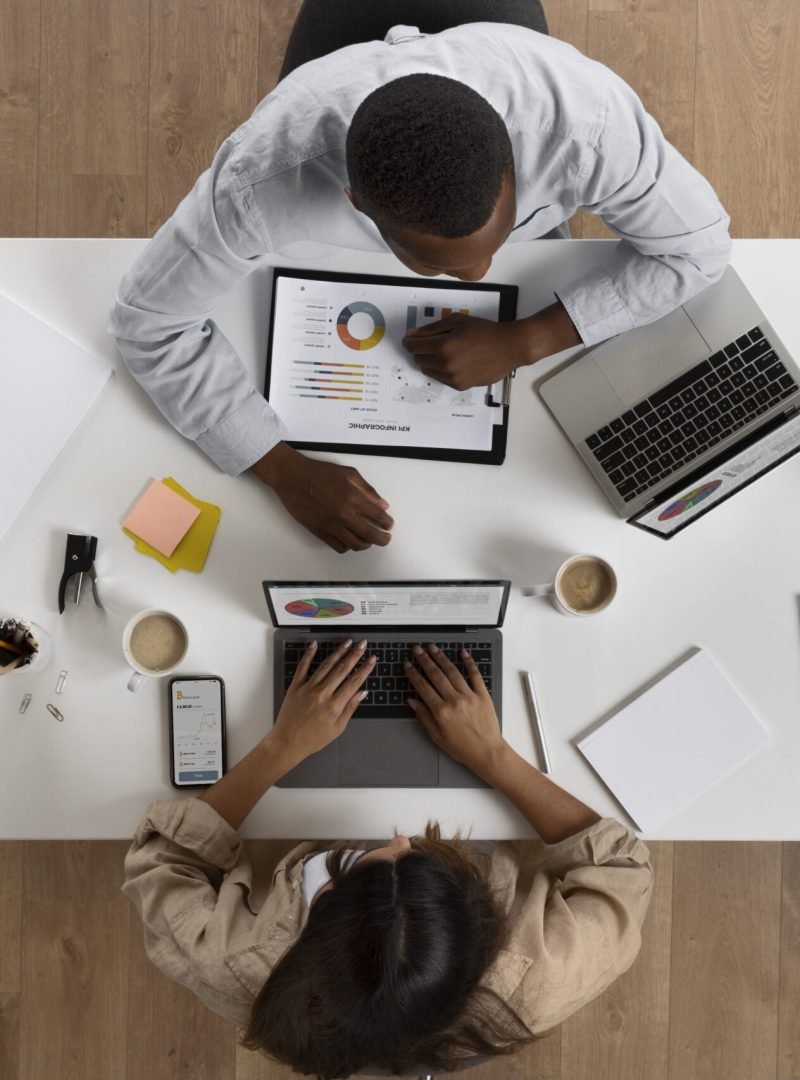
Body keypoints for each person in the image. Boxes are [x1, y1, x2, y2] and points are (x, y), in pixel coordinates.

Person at [108, 16, 730, 554]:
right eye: (438, 266)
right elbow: (147, 323)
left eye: (497, 239)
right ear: (359, 206)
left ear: (514, 163)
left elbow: (699, 248)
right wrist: (281, 469)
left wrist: (530, 338)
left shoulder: (587, 124)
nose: (480, 278)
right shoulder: (259, 183)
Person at [123, 640, 654, 1078]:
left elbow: (163, 856)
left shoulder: (225, 959)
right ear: (485, 921)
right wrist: (493, 755)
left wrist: (281, 747)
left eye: (373, 863)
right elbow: (622, 870)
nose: (401, 839)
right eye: (420, 857)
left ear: (322, 904)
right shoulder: (542, 977)